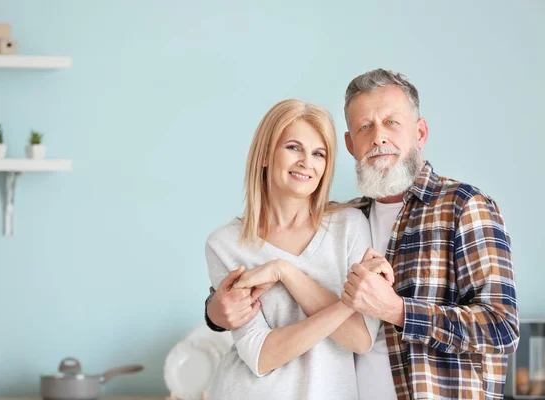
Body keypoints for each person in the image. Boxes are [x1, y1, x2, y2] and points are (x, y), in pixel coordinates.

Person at [205, 69, 519, 400]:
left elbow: (502, 328)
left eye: (392, 123)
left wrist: (398, 310)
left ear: (421, 132)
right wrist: (214, 311)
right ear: (351, 144)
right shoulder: (355, 214)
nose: (379, 137)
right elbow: (245, 304)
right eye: (365, 126)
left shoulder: (462, 206)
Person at [204, 98, 392, 400]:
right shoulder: (225, 243)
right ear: (266, 155)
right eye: (294, 148)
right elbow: (260, 356)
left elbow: (359, 338)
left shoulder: (350, 226)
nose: (307, 162)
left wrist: (285, 272)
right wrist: (349, 303)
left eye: (319, 154)